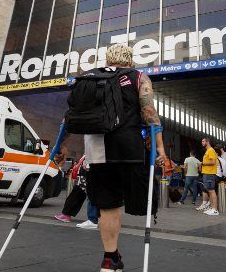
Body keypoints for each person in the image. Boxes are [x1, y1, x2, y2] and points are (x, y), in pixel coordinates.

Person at [56, 44, 167, 272]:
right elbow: (149, 114)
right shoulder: (138, 78)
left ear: (107, 59)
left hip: (96, 152)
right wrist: (161, 149)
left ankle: (110, 258)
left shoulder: (88, 79)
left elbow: (70, 116)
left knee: (107, 206)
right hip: (129, 150)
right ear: (129, 60)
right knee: (138, 196)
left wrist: (61, 146)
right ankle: (117, 250)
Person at [195, 137, 219, 215]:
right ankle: (212, 208)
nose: (202, 143)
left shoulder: (211, 150)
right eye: (201, 141)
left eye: (203, 141)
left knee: (211, 190)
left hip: (209, 173)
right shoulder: (208, 151)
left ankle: (215, 209)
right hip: (207, 173)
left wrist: (202, 163)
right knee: (209, 190)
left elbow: (213, 162)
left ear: (207, 142)